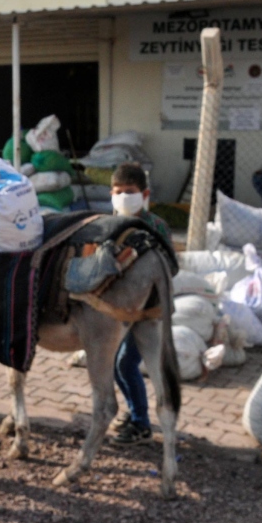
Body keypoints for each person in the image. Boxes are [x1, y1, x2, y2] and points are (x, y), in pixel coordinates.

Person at [107, 162, 172, 445]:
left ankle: (142, 424)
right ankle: (136, 414)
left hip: (148, 311)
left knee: (124, 363)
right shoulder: (109, 223)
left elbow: (170, 267)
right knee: (112, 363)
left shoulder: (156, 226)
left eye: (129, 192)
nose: (123, 197)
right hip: (119, 309)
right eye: (118, 192)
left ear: (144, 194)